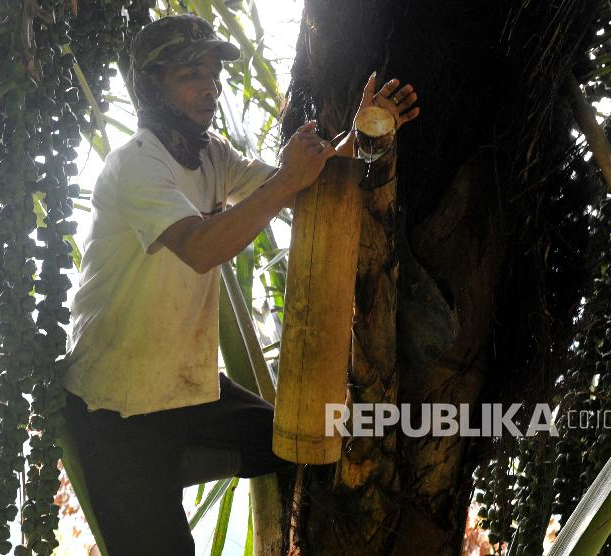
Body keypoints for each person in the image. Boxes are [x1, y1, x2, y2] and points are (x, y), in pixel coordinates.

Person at [59, 13, 419, 555]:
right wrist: (287, 180)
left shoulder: (209, 155)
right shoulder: (134, 167)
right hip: (118, 412)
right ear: (151, 86)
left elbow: (304, 188)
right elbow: (202, 249)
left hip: (189, 395)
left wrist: (366, 131)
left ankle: (178, 473)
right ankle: (153, 480)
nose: (209, 88)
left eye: (212, 73)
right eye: (189, 75)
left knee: (297, 446)